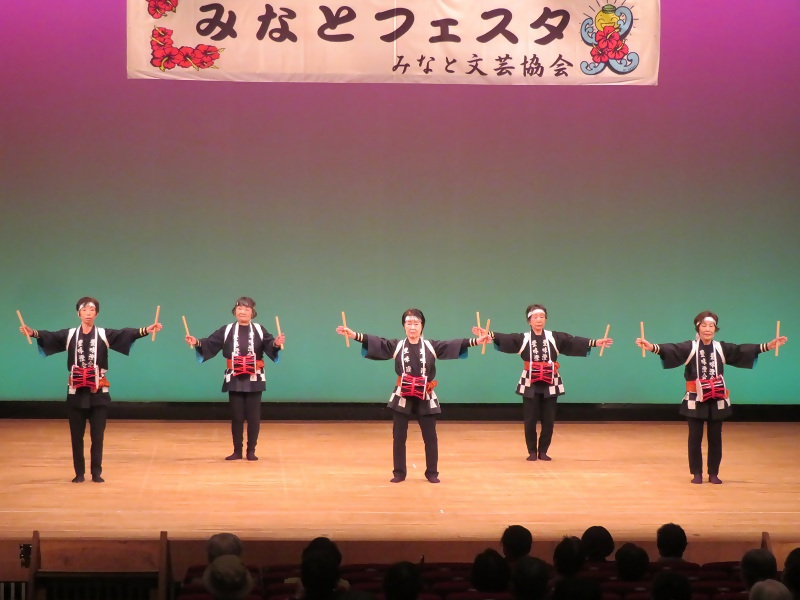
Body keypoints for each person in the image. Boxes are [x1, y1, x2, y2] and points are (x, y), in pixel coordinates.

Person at [19, 296, 162, 483]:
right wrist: (33, 333)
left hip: (98, 393)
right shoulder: (70, 334)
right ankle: (79, 473)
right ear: (79, 313)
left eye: (92, 310)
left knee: (97, 436)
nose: (88, 313)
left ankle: (96, 473)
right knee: (76, 436)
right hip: (76, 392)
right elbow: (50, 336)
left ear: (96, 313)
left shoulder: (103, 334)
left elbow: (125, 334)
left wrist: (145, 330)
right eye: (85, 310)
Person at [337, 308, 489, 483]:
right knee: (399, 436)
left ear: (422, 326)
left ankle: (432, 473)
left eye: (416, 323)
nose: (412, 327)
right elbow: (377, 342)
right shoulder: (398, 346)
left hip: (425, 394)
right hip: (403, 394)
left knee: (430, 437)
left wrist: (477, 341)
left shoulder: (431, 346)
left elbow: (453, 344)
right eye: (408, 323)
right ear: (404, 326)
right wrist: (354, 334)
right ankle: (399, 473)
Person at [636, 310, 787, 484]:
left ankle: (713, 473)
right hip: (695, 399)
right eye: (704, 325)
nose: (708, 329)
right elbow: (672, 349)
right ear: (698, 328)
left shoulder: (720, 348)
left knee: (716, 438)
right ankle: (697, 473)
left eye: (711, 326)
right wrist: (652, 347)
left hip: (717, 398)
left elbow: (741, 350)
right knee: (695, 438)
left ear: (715, 328)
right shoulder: (690, 347)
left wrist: (768, 346)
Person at [474, 304, 612, 461]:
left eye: (542, 317)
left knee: (549, 419)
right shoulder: (523, 338)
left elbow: (572, 341)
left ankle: (543, 451)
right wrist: (489, 334)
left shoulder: (555, 337)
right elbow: (505, 338)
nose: (539, 320)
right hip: (530, 381)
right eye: (535, 317)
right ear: (529, 321)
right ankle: (532, 451)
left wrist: (595, 343)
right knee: (530, 418)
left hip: (551, 380)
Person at [186, 297, 285, 461]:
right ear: (235, 311)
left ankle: (251, 451)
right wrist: (196, 342)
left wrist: (276, 343)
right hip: (234, 376)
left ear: (252, 313)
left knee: (254, 416)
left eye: (246, 309)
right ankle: (237, 451)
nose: (243, 311)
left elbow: (270, 345)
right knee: (237, 415)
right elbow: (210, 343)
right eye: (239, 308)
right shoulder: (227, 330)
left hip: (255, 376)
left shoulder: (260, 330)